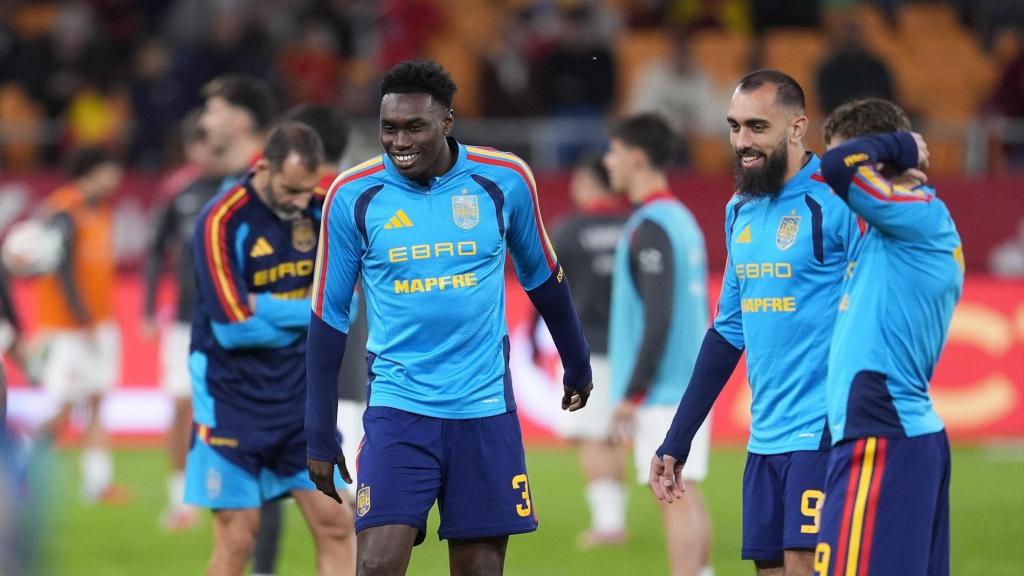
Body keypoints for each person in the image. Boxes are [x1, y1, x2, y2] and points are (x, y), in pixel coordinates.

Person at [304, 58, 594, 575]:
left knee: (480, 569)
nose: (400, 141)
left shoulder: (504, 179)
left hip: (483, 408)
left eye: (414, 127)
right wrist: (319, 432)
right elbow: (328, 320)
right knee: (375, 565)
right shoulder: (352, 195)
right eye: (388, 128)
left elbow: (543, 278)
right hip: (400, 406)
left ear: (447, 122)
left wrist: (576, 361)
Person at [649, 70, 861, 576]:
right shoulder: (739, 207)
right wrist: (679, 438)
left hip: (824, 430)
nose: (742, 141)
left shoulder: (837, 201)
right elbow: (728, 330)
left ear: (797, 128)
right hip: (766, 438)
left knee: (801, 565)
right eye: (734, 126)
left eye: (757, 127)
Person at [185, 123, 354, 576]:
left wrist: (265, 307)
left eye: (308, 190)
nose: (301, 202)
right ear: (263, 168)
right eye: (291, 189)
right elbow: (234, 330)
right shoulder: (220, 220)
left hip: (298, 405)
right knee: (239, 539)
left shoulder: (322, 211)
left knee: (337, 523)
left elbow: (348, 310)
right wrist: (307, 314)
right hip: (230, 401)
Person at [814, 99, 963, 576]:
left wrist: (901, 145)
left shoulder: (915, 218)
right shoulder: (897, 225)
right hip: (887, 434)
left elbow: (839, 167)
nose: (826, 176)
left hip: (881, 438)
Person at [603, 114, 713, 576]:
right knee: (682, 492)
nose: (608, 162)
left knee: (669, 492)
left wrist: (633, 392)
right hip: (684, 384)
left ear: (636, 157)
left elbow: (658, 313)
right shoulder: (681, 219)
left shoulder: (650, 225)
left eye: (613, 151)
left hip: (662, 391)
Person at [197, 73, 285, 576]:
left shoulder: (267, 187)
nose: (205, 120)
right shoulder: (231, 187)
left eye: (213, 109)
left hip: (265, 371)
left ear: (242, 119)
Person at [142, 110, 223, 531]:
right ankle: (180, 500)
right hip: (183, 321)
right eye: (202, 142)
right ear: (192, 148)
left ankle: (232, 492)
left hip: (231, 321)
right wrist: (147, 308)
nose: (209, 150)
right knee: (180, 406)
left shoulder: (239, 189)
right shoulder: (180, 191)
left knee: (232, 410)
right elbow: (156, 251)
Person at [34, 147, 126, 504]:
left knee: (97, 401)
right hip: (68, 327)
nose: (116, 179)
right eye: (110, 170)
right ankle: (20, 460)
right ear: (91, 171)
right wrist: (82, 316)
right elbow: (61, 268)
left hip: (100, 323)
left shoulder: (100, 209)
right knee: (66, 407)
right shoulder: (63, 210)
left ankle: (98, 484)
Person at [283, 103, 365, 505]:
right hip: (362, 324)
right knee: (352, 402)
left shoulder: (294, 202)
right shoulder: (363, 193)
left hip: (302, 334)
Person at [549, 155, 629, 548]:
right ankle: (616, 518)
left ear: (588, 182)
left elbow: (549, 287)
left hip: (587, 349)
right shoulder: (634, 226)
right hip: (628, 348)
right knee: (611, 436)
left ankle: (608, 524)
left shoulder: (568, 231)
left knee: (589, 436)